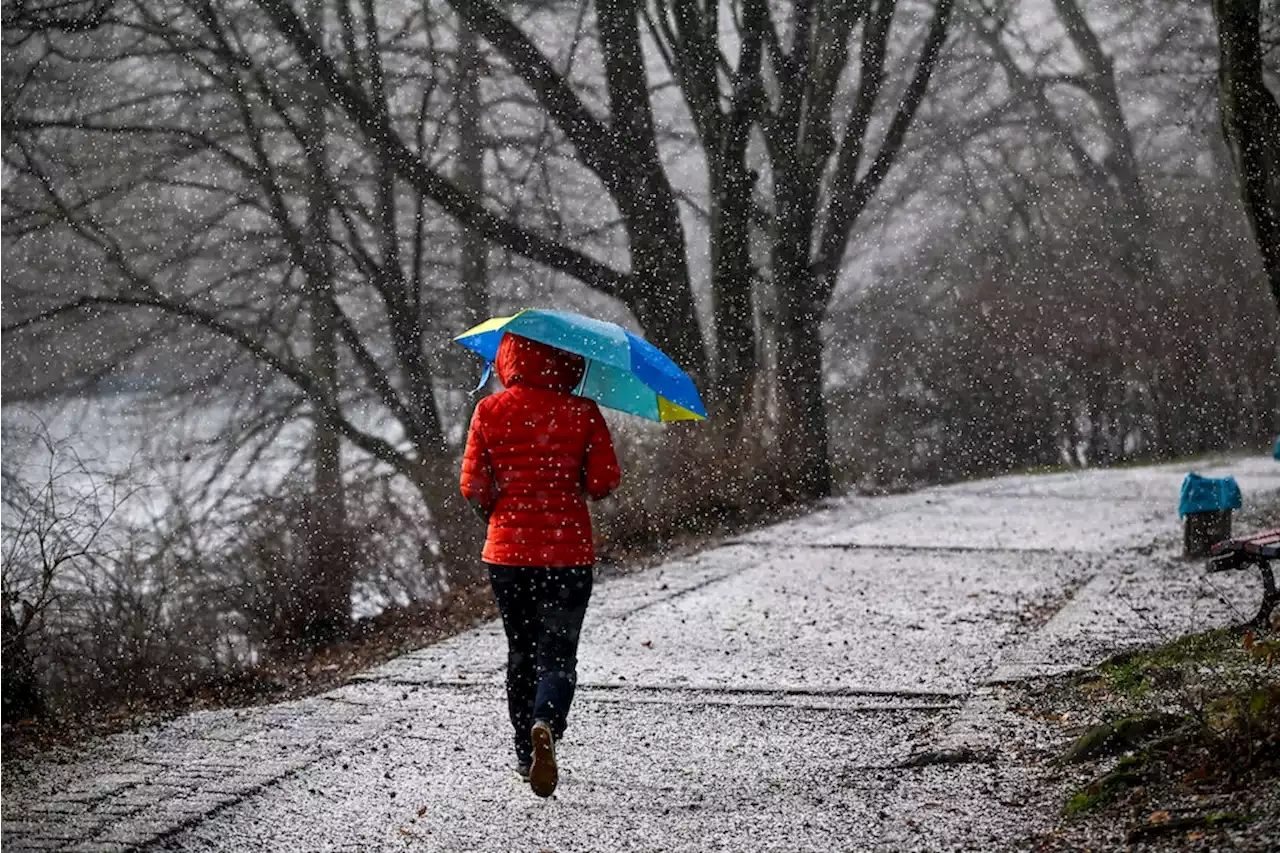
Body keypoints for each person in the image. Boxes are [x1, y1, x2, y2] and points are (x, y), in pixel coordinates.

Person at [459, 332, 621, 798]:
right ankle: (547, 720)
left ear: (509, 358)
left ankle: (524, 751)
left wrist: (497, 509)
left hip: (509, 556)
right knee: (558, 651)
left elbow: (473, 486)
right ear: (566, 361)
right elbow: (604, 480)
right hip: (567, 553)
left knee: (521, 652)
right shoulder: (583, 412)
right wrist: (577, 487)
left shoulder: (488, 411)